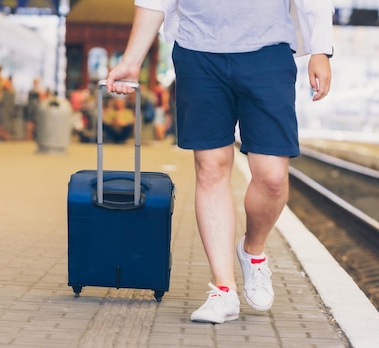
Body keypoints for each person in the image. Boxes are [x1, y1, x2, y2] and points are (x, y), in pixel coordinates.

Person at [107, 0, 333, 324]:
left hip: (267, 52)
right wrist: (131, 60)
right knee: (211, 167)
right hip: (198, 52)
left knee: (271, 177)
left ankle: (252, 251)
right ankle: (223, 290)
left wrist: (321, 50)